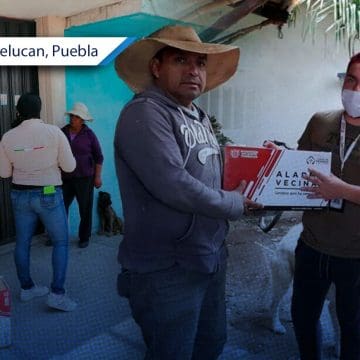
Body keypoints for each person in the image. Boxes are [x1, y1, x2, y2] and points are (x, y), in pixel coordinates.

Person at [113, 25, 261, 359]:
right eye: (181, 60)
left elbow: (207, 174)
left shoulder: (198, 115)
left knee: (211, 344)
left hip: (208, 258)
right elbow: (174, 185)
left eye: (200, 63)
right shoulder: (145, 113)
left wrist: (250, 182)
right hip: (167, 269)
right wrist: (233, 203)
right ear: (156, 67)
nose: (193, 70)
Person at [288, 53, 360, 359]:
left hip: (356, 256)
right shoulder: (320, 122)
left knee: (353, 332)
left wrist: (340, 190)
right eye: (352, 79)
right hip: (312, 246)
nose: (355, 90)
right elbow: (300, 166)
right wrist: (277, 159)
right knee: (303, 319)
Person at [0, 93, 77, 311]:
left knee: (22, 243)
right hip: (49, 192)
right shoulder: (54, 133)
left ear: (18, 111)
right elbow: (70, 167)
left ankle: (26, 288)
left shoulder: (8, 137)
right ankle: (57, 294)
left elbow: (4, 172)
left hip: (20, 195)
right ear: (40, 110)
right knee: (61, 242)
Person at [61, 102, 104, 248]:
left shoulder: (89, 135)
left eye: (77, 117)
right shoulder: (62, 132)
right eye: (72, 116)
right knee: (60, 208)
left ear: (83, 120)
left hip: (85, 177)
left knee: (85, 208)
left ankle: (84, 237)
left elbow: (99, 157)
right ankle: (59, 236)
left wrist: (97, 177)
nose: (73, 119)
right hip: (65, 178)